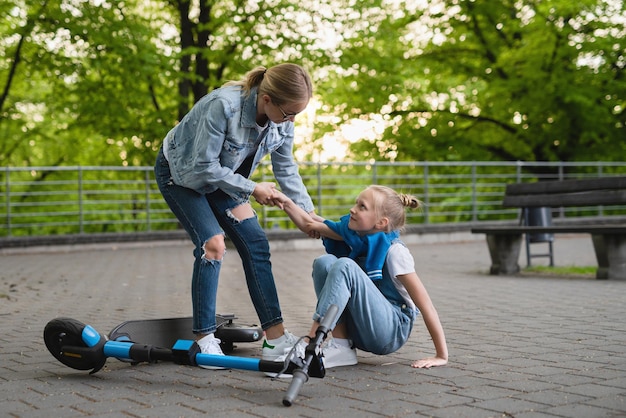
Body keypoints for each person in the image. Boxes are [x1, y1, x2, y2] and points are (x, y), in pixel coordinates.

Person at [154, 63, 320, 370]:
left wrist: (308, 215)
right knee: (213, 244)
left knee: (256, 243)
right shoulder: (224, 106)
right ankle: (205, 338)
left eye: (297, 114)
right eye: (289, 113)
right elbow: (202, 167)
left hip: (224, 178)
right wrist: (253, 188)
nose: (291, 121)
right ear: (267, 98)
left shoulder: (282, 119)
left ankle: (275, 338)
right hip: (182, 174)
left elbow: (286, 168)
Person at [271, 185, 448, 369]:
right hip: (361, 327)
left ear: (381, 222)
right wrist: (286, 202)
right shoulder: (353, 235)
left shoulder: (395, 252)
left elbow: (427, 306)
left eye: (362, 207)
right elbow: (310, 224)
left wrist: (441, 355)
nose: (352, 209)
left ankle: (310, 345)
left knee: (345, 265)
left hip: (390, 331)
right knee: (325, 263)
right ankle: (341, 347)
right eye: (356, 203)